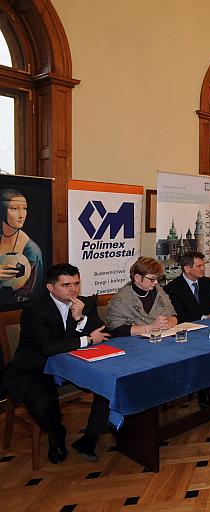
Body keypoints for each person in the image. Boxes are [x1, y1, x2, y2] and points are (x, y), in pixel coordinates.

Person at [0, 263, 111, 464]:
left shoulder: (84, 303)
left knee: (107, 385)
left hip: (75, 366)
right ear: (51, 287)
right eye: (66, 285)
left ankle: (90, 437)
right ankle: (57, 435)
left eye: (76, 283)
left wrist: (81, 318)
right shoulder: (34, 310)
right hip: (37, 367)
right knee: (43, 403)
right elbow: (48, 348)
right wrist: (86, 339)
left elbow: (102, 332)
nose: (73, 289)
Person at [163, 251, 210, 409]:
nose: (203, 269)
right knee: (204, 354)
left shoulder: (205, 282)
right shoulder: (173, 288)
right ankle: (204, 392)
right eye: (199, 266)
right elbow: (180, 315)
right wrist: (206, 316)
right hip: (188, 332)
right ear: (187, 268)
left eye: (203, 265)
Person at [106, 256, 177, 337]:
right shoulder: (121, 298)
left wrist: (168, 323)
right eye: (152, 279)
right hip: (132, 343)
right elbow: (116, 329)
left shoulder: (158, 291)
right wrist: (150, 328)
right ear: (137, 278)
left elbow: (173, 315)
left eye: (157, 278)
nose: (156, 282)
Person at [0, 189, 44, 305]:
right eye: (14, 209)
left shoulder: (32, 252)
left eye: (24, 208)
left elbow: (30, 293)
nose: (21, 215)